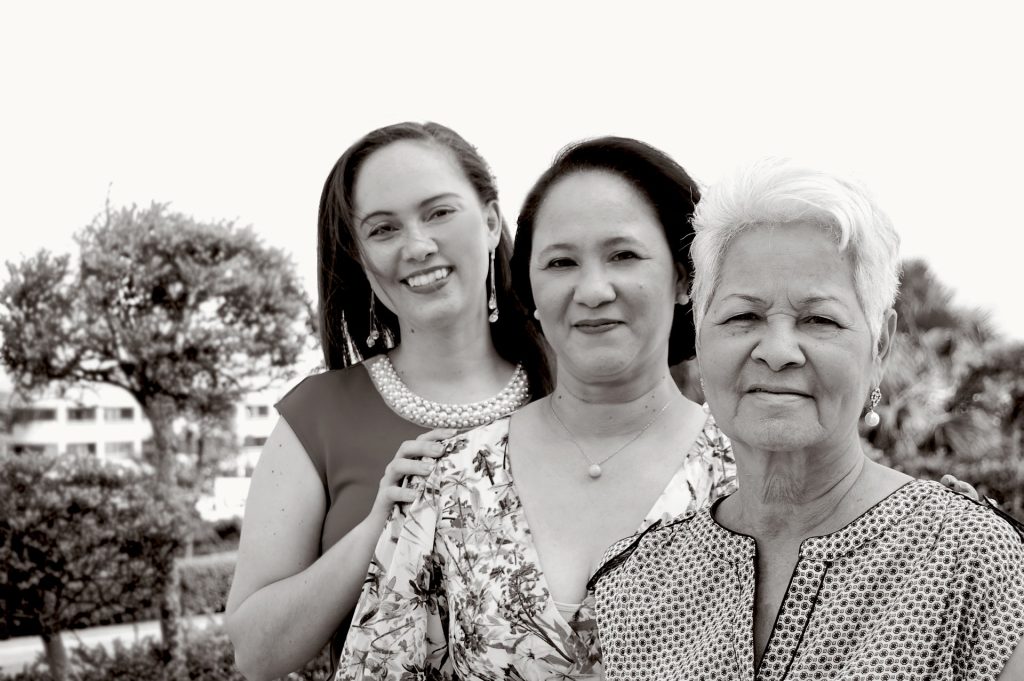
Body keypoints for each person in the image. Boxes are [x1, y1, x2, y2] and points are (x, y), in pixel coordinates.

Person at [591, 158, 1024, 680]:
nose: (777, 351)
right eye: (742, 316)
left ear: (879, 345)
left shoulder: (973, 559)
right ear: (701, 337)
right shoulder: (636, 583)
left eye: (819, 319)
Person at [336, 137, 737, 680]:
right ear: (530, 287)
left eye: (624, 255)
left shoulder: (747, 476)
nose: (593, 289)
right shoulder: (449, 477)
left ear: (685, 278)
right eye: (561, 262)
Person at [224, 122, 550, 681]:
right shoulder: (318, 415)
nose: (417, 246)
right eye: (383, 229)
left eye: (439, 213)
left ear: (491, 221)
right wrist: (382, 527)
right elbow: (255, 654)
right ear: (359, 255)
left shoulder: (571, 390)